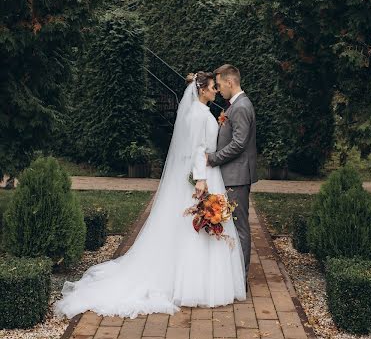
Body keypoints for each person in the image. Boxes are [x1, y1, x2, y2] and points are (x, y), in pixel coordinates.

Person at [54, 71, 246, 320]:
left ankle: (197, 281)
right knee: (198, 225)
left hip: (208, 171)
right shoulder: (198, 115)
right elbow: (197, 149)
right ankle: (196, 284)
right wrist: (200, 178)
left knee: (198, 225)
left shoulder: (197, 112)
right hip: (204, 174)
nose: (215, 91)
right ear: (202, 90)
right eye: (212, 87)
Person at [206, 64, 257, 288]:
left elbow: (239, 143)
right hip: (232, 175)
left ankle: (240, 280)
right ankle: (234, 277)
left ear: (230, 82)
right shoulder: (234, 106)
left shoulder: (241, 107)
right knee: (234, 226)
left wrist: (213, 158)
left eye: (219, 85)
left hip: (236, 176)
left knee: (240, 228)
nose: (218, 90)